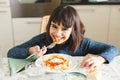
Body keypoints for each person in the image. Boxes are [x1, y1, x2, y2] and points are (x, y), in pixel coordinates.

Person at [7, 5, 119, 69]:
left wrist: (100, 58)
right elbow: (11, 52)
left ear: (73, 30)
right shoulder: (42, 40)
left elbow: (113, 49)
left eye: (64, 29)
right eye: (54, 26)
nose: (58, 33)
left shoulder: (83, 43)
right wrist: (29, 51)